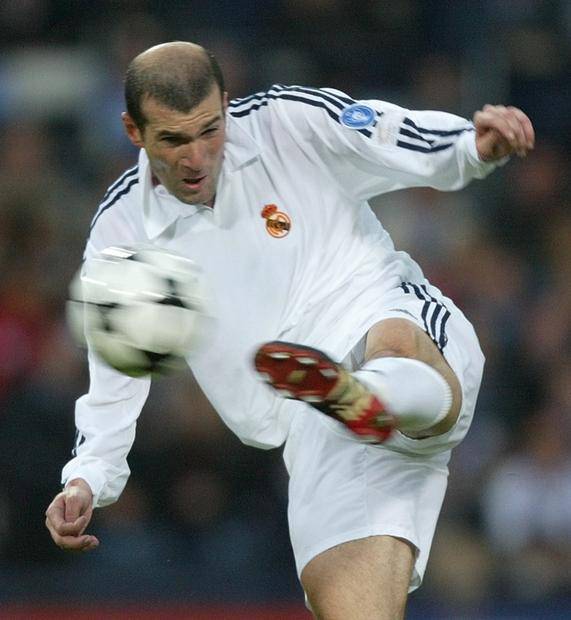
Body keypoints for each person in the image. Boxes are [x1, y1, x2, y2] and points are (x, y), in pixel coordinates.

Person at [45, 41, 534, 619]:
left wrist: (470, 147)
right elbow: (115, 376)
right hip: (317, 431)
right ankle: (358, 401)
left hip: (377, 315)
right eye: (174, 140)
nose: (197, 157)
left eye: (209, 130)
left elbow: (388, 132)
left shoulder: (287, 123)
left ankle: (373, 393)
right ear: (134, 130)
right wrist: (86, 480)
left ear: (227, 104)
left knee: (394, 339)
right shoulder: (121, 232)